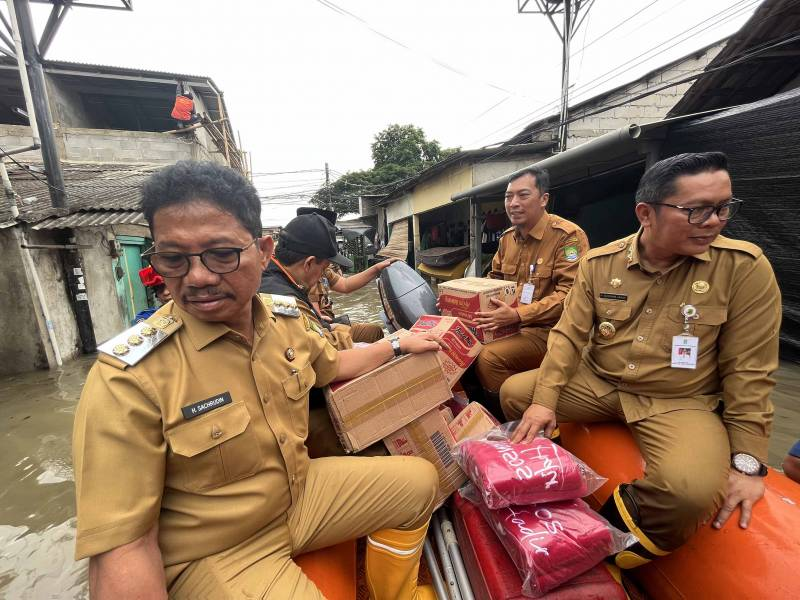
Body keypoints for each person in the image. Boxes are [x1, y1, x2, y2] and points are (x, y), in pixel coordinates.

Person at [72, 160, 442, 599]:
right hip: (218, 548)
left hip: (299, 496)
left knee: (422, 482)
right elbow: (123, 548)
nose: (199, 277)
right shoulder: (127, 378)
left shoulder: (284, 321)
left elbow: (333, 365)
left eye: (223, 254)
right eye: (173, 259)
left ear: (264, 251)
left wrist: (399, 344)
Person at [501, 152, 782, 568]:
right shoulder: (601, 264)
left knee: (687, 493)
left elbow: (751, 371)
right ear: (646, 213)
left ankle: (599, 542)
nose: (714, 221)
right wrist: (545, 401)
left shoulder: (744, 268)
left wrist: (748, 461)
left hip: (678, 400)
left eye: (723, 207)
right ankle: (556, 483)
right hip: (598, 383)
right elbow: (568, 337)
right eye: (696, 210)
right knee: (515, 393)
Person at [472, 166, 589, 415]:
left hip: (552, 331)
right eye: (508, 196)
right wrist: (461, 300)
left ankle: (506, 420)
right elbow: (493, 280)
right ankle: (479, 413)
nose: (513, 203)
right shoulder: (506, 239)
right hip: (512, 326)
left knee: (488, 357)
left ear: (543, 199)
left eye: (523, 195)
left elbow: (570, 296)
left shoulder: (567, 237)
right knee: (460, 342)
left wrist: (518, 315)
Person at [297, 206, 388, 344]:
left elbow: (345, 285)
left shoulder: (323, 269)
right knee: (373, 333)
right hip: (322, 331)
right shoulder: (307, 273)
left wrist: (376, 268)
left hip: (327, 324)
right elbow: (317, 320)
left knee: (374, 331)